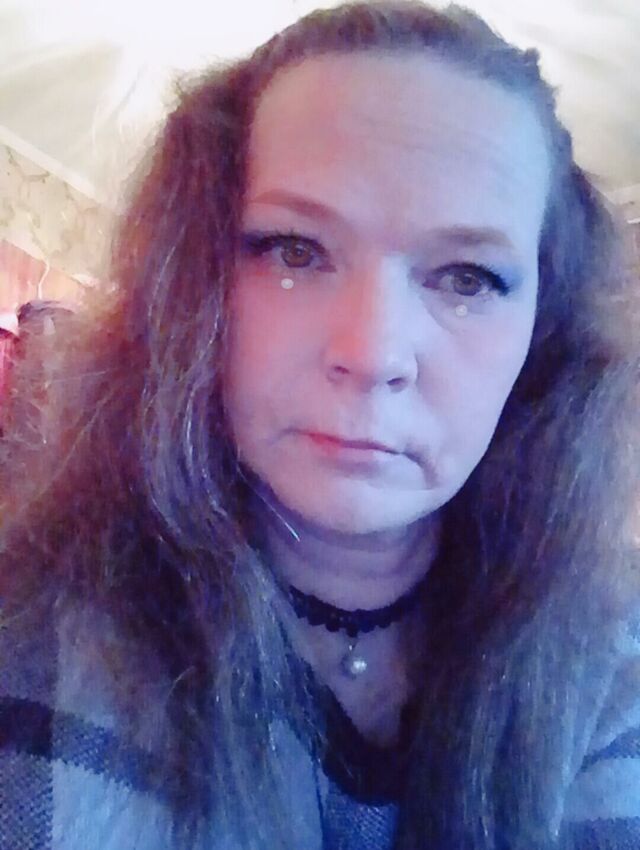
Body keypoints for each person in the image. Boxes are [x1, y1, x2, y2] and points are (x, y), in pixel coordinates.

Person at [0, 2, 639, 848]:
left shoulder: (614, 665)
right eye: (295, 251)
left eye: (467, 278)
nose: (372, 355)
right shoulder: (36, 631)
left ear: (544, 334)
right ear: (194, 286)